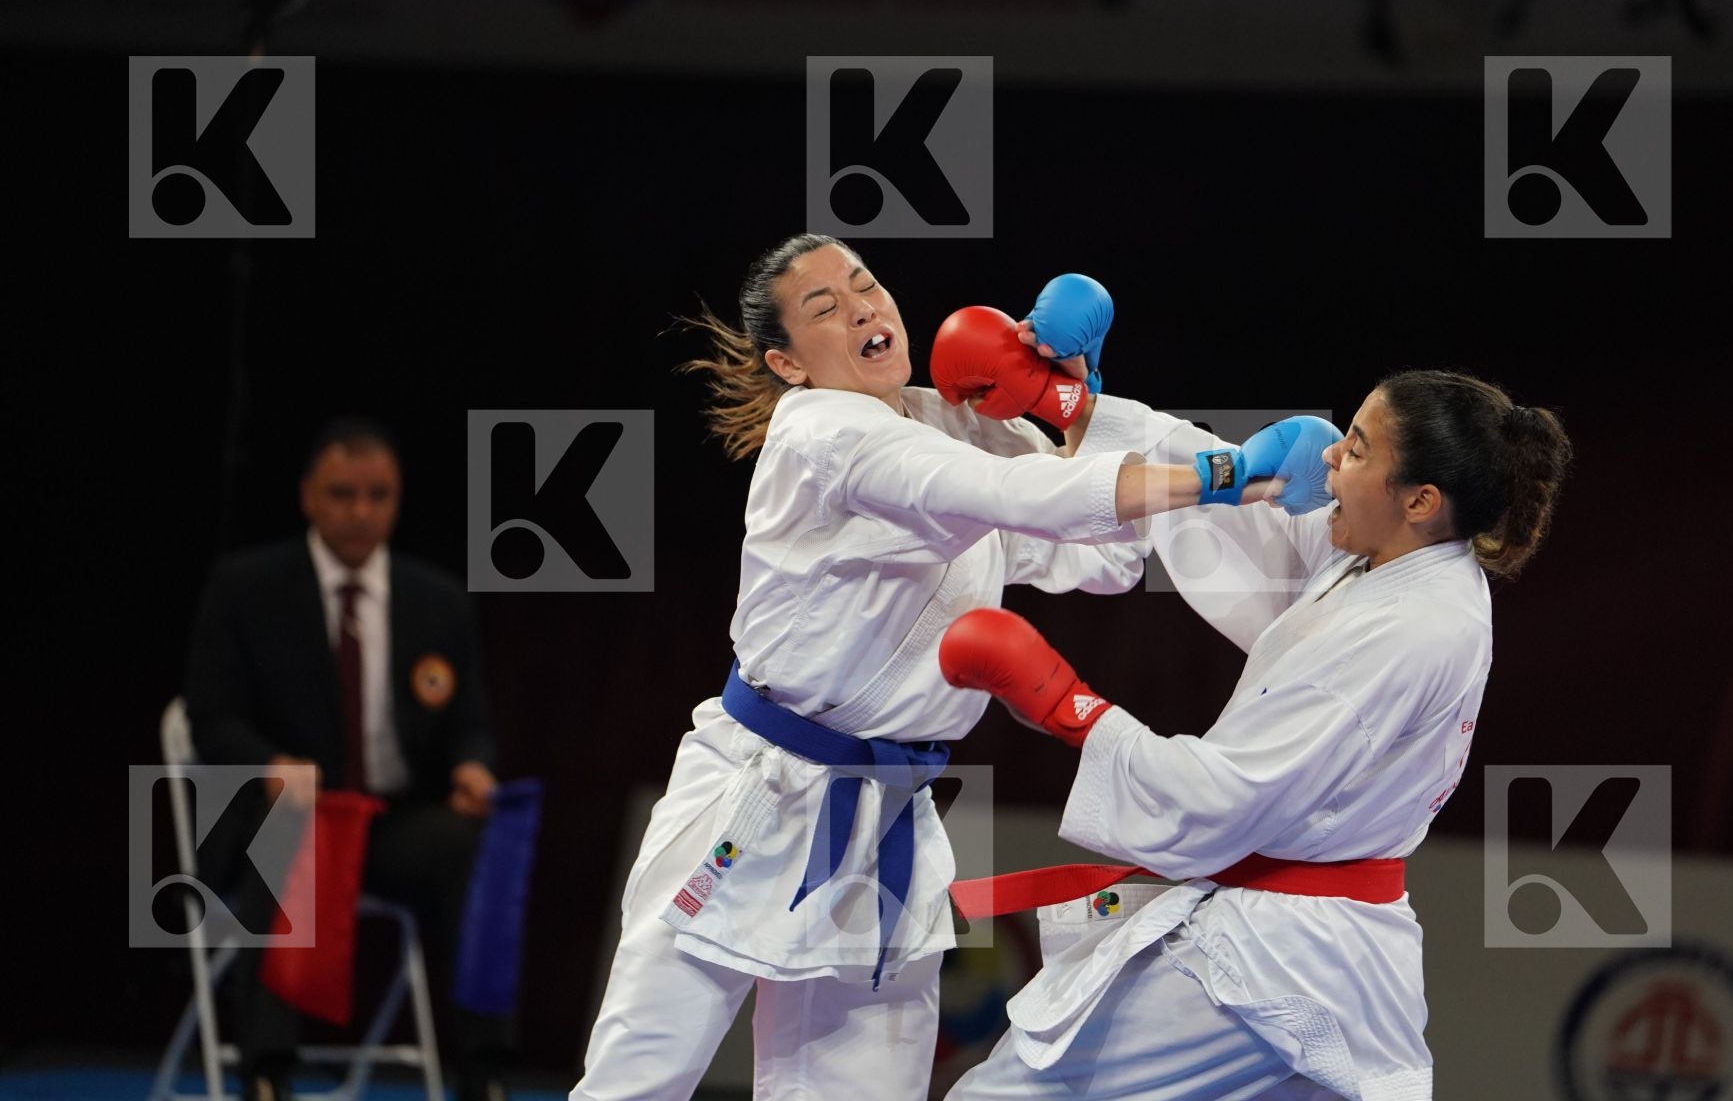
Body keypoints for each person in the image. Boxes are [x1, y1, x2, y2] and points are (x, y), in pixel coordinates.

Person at [571, 234, 1246, 1101]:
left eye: (866, 286)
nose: (861, 308)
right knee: (639, 1080)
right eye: (825, 309)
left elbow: (1107, 557)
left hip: (885, 817)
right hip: (755, 795)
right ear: (788, 362)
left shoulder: (945, 422)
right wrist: (1237, 472)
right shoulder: (821, 433)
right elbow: (1017, 497)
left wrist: (1077, 401)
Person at [937, 368, 1573, 1100]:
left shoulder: (1408, 629)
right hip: (1318, 952)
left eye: (1358, 451)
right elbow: (1248, 525)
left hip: (1273, 962)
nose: (1332, 455)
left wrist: (1067, 706)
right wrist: (1072, 407)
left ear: (1421, 501)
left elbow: (1227, 795)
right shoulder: (1398, 565)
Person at [184, 418, 513, 1101]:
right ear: (308, 497)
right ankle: (266, 1074)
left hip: (389, 824)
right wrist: (270, 762)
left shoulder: (437, 600)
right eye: (342, 494)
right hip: (281, 818)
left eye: (378, 495)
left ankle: (483, 1071)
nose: (361, 512)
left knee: (475, 842)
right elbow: (209, 717)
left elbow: (471, 723)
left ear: (396, 499)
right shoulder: (247, 587)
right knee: (283, 830)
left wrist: (471, 768)